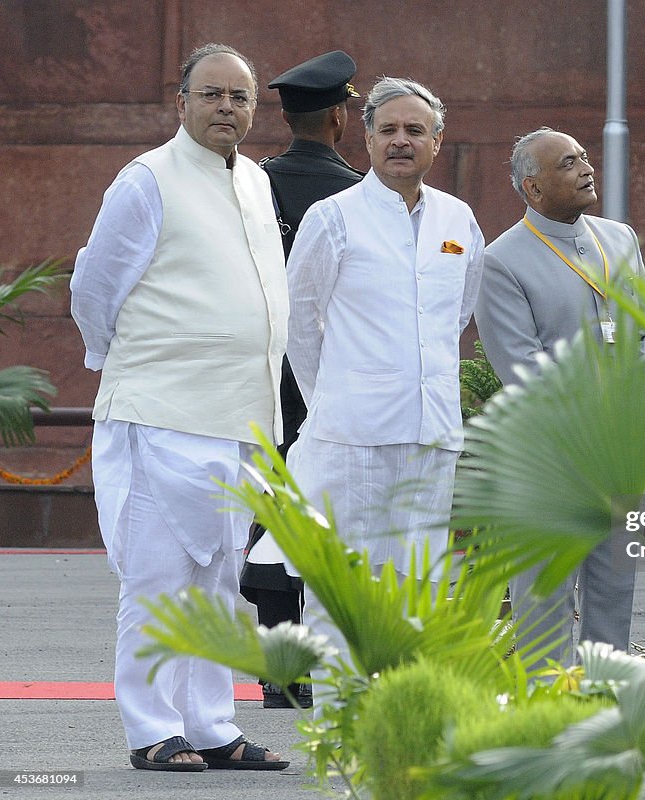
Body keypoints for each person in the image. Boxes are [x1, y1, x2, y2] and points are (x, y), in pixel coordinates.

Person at [69, 43, 289, 771]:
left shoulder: (256, 181)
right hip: (161, 412)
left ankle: (213, 726)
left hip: (240, 418)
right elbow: (94, 290)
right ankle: (151, 729)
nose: (228, 108)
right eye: (213, 94)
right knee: (159, 577)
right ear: (182, 101)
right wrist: (130, 364)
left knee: (220, 582)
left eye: (240, 97)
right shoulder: (146, 180)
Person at [285, 77, 484, 670]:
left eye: (414, 131)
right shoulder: (334, 217)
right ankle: (337, 731)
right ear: (366, 138)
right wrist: (336, 396)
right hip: (350, 437)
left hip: (430, 435)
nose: (401, 141)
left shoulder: (458, 217)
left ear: (437, 142)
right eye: (388, 130)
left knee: (419, 591)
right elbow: (298, 322)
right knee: (343, 588)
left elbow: (458, 311)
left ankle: (399, 734)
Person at [473, 127, 645, 666]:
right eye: (569, 163)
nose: (586, 169)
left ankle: (607, 710)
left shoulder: (619, 238)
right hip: (551, 456)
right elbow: (522, 368)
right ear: (533, 187)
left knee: (615, 594)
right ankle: (548, 719)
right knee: (546, 597)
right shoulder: (502, 260)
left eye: (583, 157)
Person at [239, 49, 364, 710]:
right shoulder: (364, 195)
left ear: (284, 115)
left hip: (268, 377)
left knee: (277, 513)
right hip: (346, 379)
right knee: (344, 520)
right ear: (341, 116)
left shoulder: (254, 184)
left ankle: (282, 673)